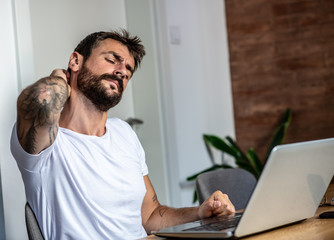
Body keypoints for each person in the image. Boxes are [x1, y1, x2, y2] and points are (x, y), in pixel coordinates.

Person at [10, 29, 235, 239]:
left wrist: (200, 213)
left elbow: (150, 216)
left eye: (128, 69)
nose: (121, 71)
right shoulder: (47, 143)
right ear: (76, 61)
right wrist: (62, 76)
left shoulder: (123, 132)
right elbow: (41, 99)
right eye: (111, 60)